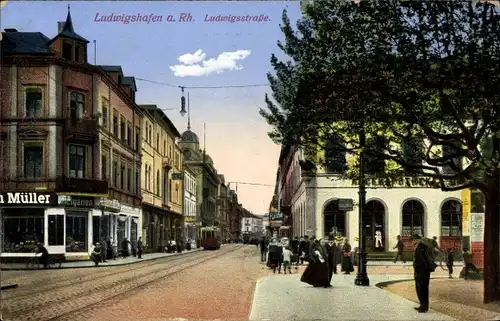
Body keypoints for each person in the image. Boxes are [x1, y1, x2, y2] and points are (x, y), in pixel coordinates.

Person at [412, 234, 436, 313]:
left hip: (422, 272)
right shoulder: (420, 247)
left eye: (413, 240)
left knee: (422, 289)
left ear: (417, 240)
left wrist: (417, 269)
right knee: (420, 289)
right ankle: (422, 305)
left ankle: (424, 307)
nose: (412, 242)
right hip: (421, 271)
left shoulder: (420, 248)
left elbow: (422, 261)